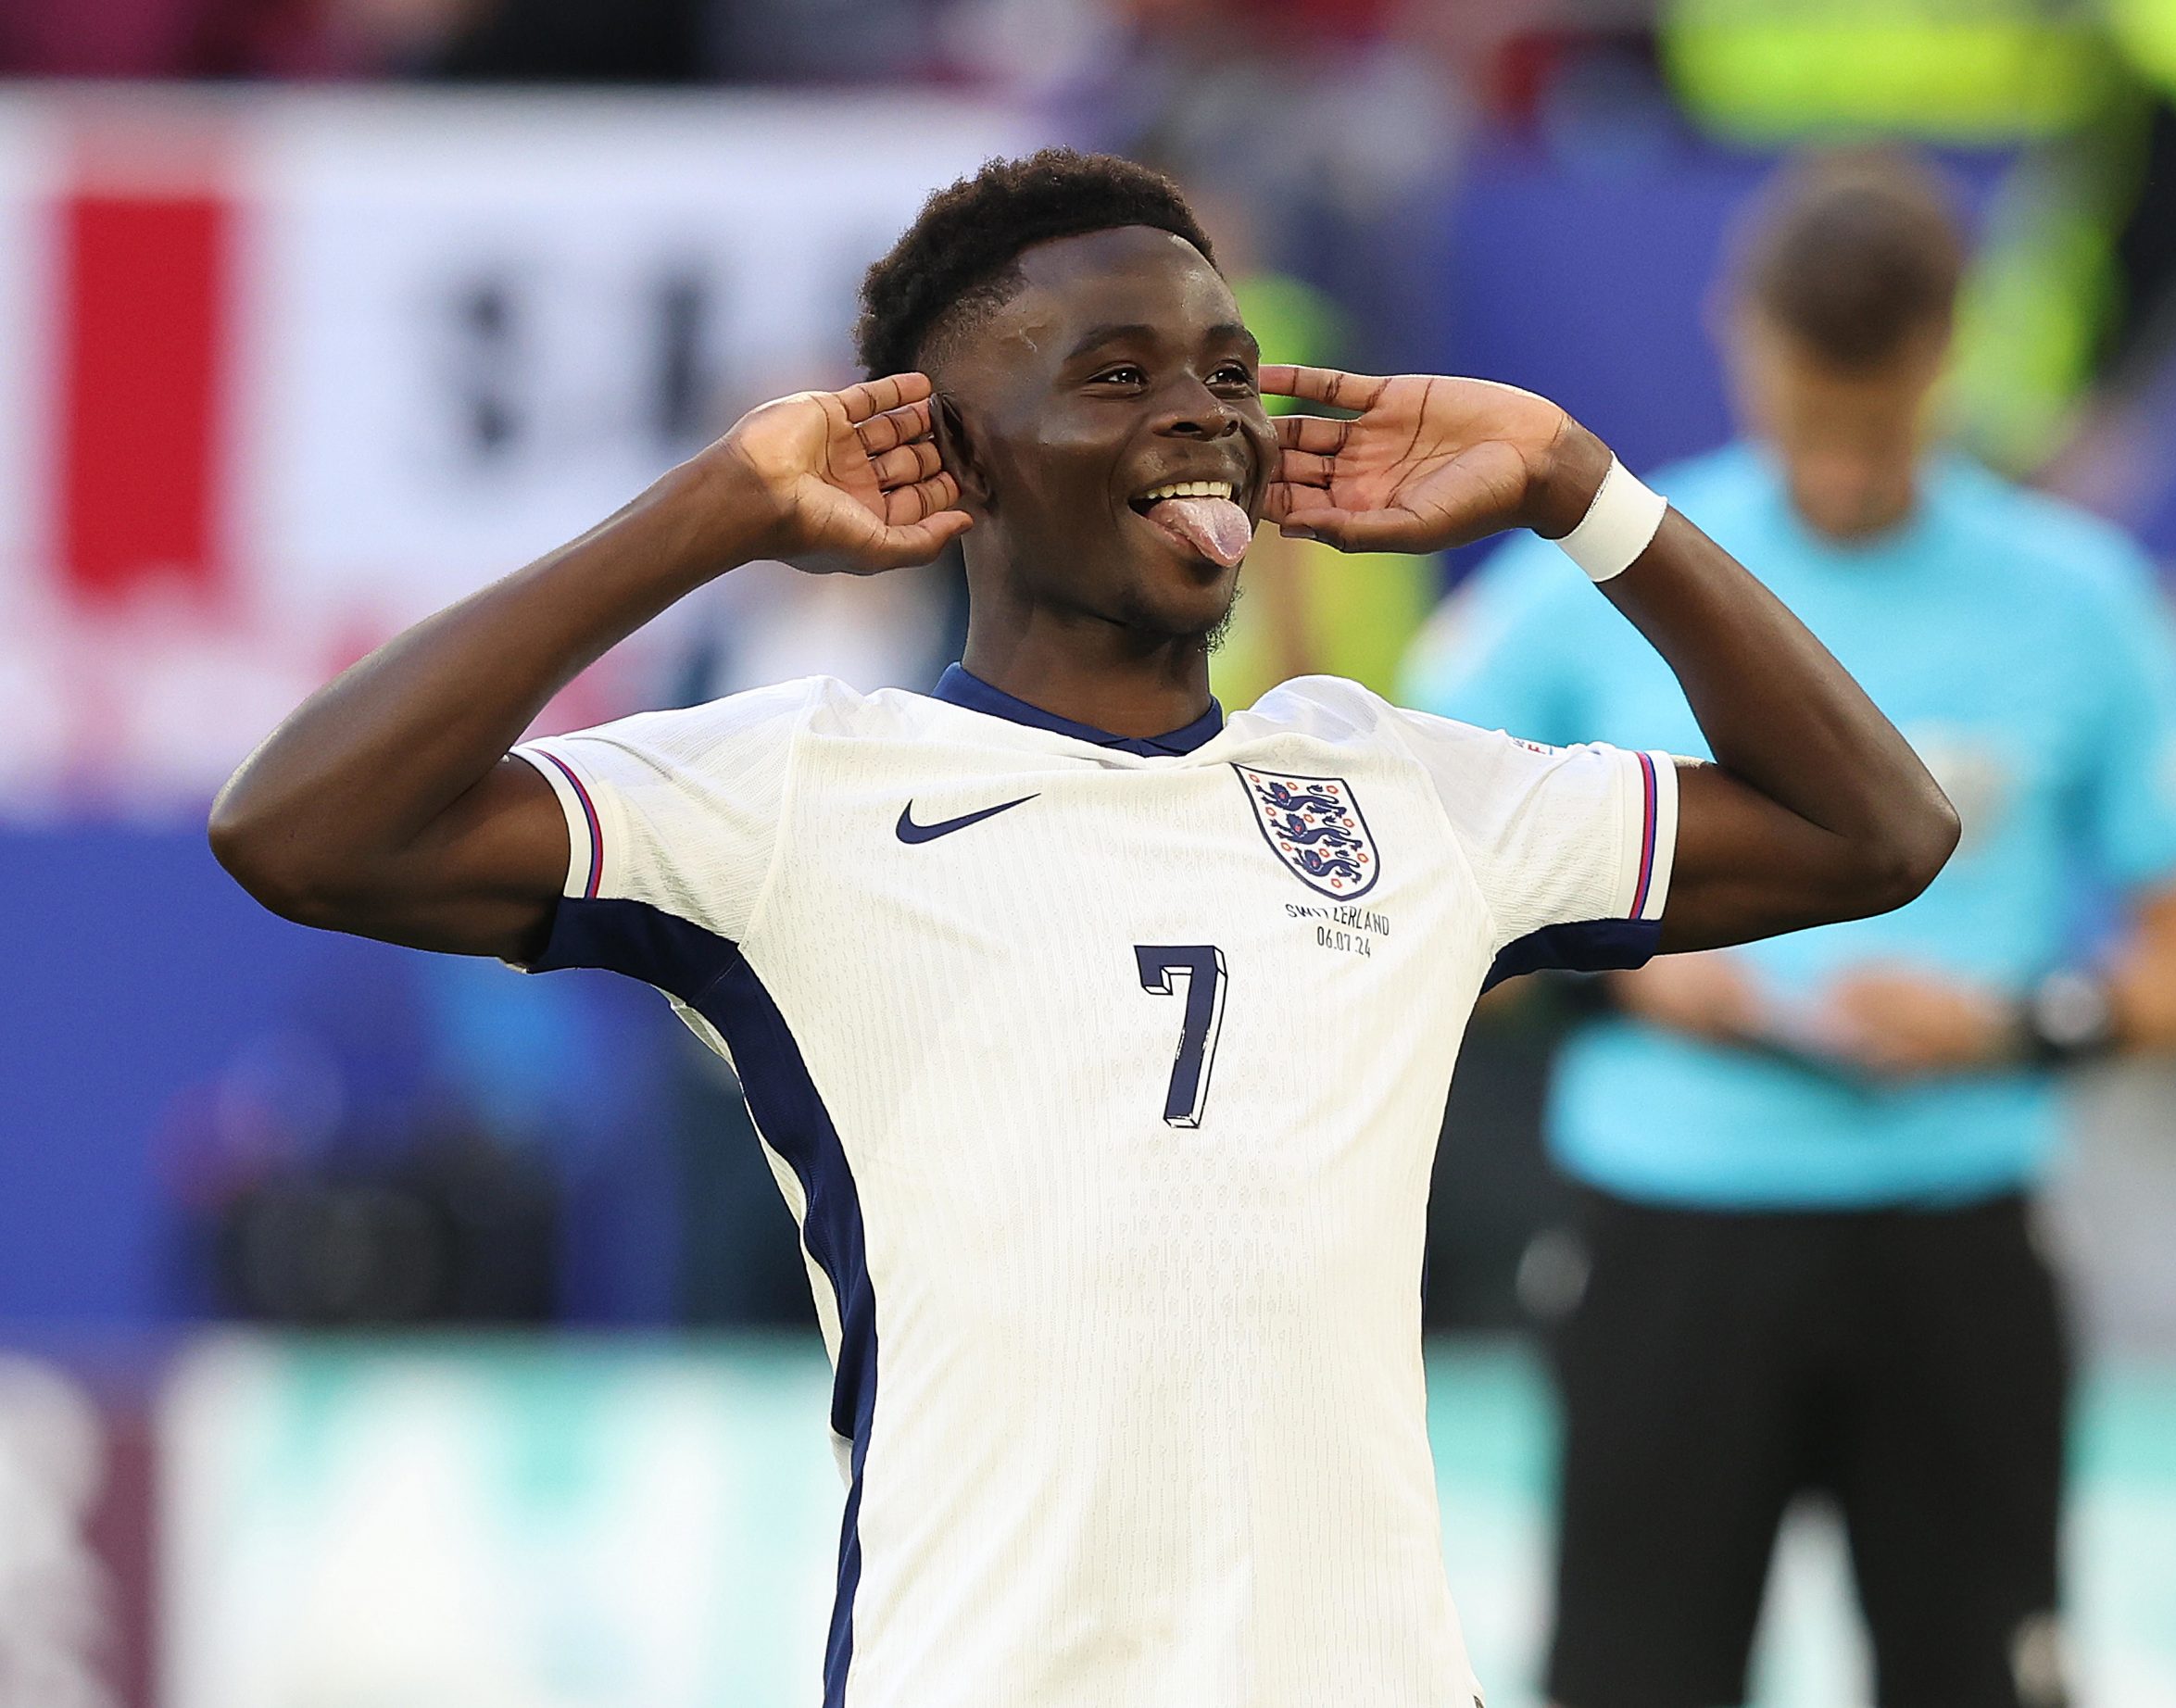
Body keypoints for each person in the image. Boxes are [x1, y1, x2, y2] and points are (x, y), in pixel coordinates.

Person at [209, 148, 1957, 1708]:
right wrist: (711, 514)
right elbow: (298, 829)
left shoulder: (1402, 792)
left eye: (1223, 372)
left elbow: (1876, 828)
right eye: (1114, 378)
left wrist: (1586, 493)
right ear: (947, 450)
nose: (1200, 413)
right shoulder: (792, 794)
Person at [1405, 149, 2176, 1708]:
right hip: (1670, 1233)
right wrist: (1616, 976)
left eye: (1879, 430)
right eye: (1814, 421)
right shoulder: (1609, 586)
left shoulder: (2074, 600)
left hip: (1951, 1238)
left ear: (1949, 352)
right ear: (1744, 342)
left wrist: (2014, 1027)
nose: (1848, 474)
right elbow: (1396, 903)